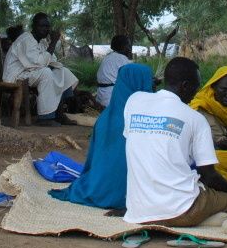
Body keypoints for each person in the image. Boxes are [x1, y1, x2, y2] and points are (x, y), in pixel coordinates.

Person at [121, 57, 227, 239]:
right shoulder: (195, 118)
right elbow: (209, 176)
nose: (197, 92)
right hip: (182, 209)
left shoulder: (134, 101)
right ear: (184, 86)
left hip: (138, 211)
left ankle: (210, 219)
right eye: (196, 86)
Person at [51, 63, 153, 209]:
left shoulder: (105, 118)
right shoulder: (149, 119)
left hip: (99, 189)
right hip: (137, 195)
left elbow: (94, 158)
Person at [2, 13, 80, 127]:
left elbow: (52, 60)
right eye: (42, 26)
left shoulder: (42, 42)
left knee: (63, 71)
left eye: (47, 26)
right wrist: (53, 42)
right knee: (46, 73)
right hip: (16, 75)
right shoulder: (26, 40)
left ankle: (59, 114)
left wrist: (52, 63)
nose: (45, 29)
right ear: (34, 26)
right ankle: (45, 117)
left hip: (30, 71)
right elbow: (39, 63)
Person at [95, 35, 133, 109]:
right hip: (111, 99)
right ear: (122, 46)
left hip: (102, 96)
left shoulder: (108, 57)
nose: (129, 48)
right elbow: (133, 78)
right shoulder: (121, 58)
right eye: (128, 45)